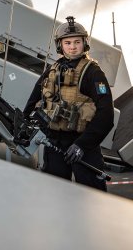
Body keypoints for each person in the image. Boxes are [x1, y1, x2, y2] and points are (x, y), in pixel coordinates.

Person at [24, 16, 114, 191]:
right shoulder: (54, 68)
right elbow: (35, 95)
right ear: (60, 45)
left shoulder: (93, 73)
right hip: (55, 142)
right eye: (68, 43)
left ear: (84, 43)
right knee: (55, 195)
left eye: (77, 42)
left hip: (83, 144)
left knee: (92, 197)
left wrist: (82, 145)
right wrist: (24, 119)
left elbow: (106, 114)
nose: (73, 47)